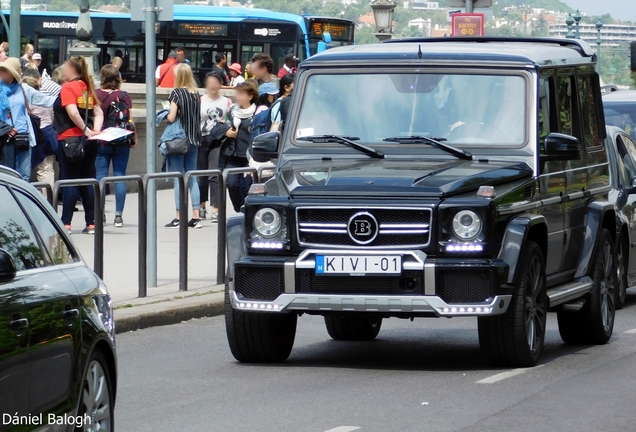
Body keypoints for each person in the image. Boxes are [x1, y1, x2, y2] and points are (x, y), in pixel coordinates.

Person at [53, 56, 104, 234]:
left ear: (71, 69)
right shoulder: (86, 87)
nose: (63, 70)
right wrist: (94, 131)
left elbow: (73, 112)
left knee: (71, 180)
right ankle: (91, 223)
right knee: (87, 180)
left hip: (70, 140)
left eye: (65, 67)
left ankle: (65, 222)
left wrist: (85, 130)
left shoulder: (68, 87)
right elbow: (98, 112)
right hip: (89, 142)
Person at [95, 64, 137, 228]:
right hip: (121, 140)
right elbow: (130, 119)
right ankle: (118, 216)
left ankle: (100, 214)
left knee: (100, 177)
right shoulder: (124, 95)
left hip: (102, 140)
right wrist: (134, 137)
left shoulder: (96, 94)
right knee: (120, 176)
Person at [0, 57, 56, 181]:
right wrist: (5, 128)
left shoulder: (24, 88)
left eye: (4, 70)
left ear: (12, 73)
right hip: (4, 137)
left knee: (24, 174)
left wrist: (68, 98)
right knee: (6, 175)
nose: (0, 72)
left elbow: (47, 100)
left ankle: (19, 200)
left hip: (24, 135)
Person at [164, 63, 202, 229]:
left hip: (178, 141)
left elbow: (172, 117)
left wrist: (165, 113)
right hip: (194, 139)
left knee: (178, 178)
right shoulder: (196, 94)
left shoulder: (176, 93)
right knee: (192, 177)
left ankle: (179, 217)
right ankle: (196, 217)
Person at [218, 80, 258, 213]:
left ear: (250, 96)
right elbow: (220, 125)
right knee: (232, 184)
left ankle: (247, 213)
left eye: (241, 94)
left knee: (246, 187)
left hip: (249, 157)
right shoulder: (232, 111)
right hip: (233, 155)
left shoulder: (257, 113)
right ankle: (240, 210)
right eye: (237, 94)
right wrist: (226, 131)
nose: (238, 97)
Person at [197, 72, 231, 223]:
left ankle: (215, 209)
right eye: (209, 82)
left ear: (220, 84)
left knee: (214, 174)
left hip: (218, 140)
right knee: (201, 176)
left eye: (215, 82)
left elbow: (232, 119)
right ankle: (202, 205)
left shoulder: (227, 102)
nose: (212, 85)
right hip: (201, 139)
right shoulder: (200, 101)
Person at [21, 69, 58, 189]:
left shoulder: (22, 97)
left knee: (24, 171)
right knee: (45, 170)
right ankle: (48, 202)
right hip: (46, 135)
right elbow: (52, 117)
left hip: (29, 137)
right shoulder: (45, 98)